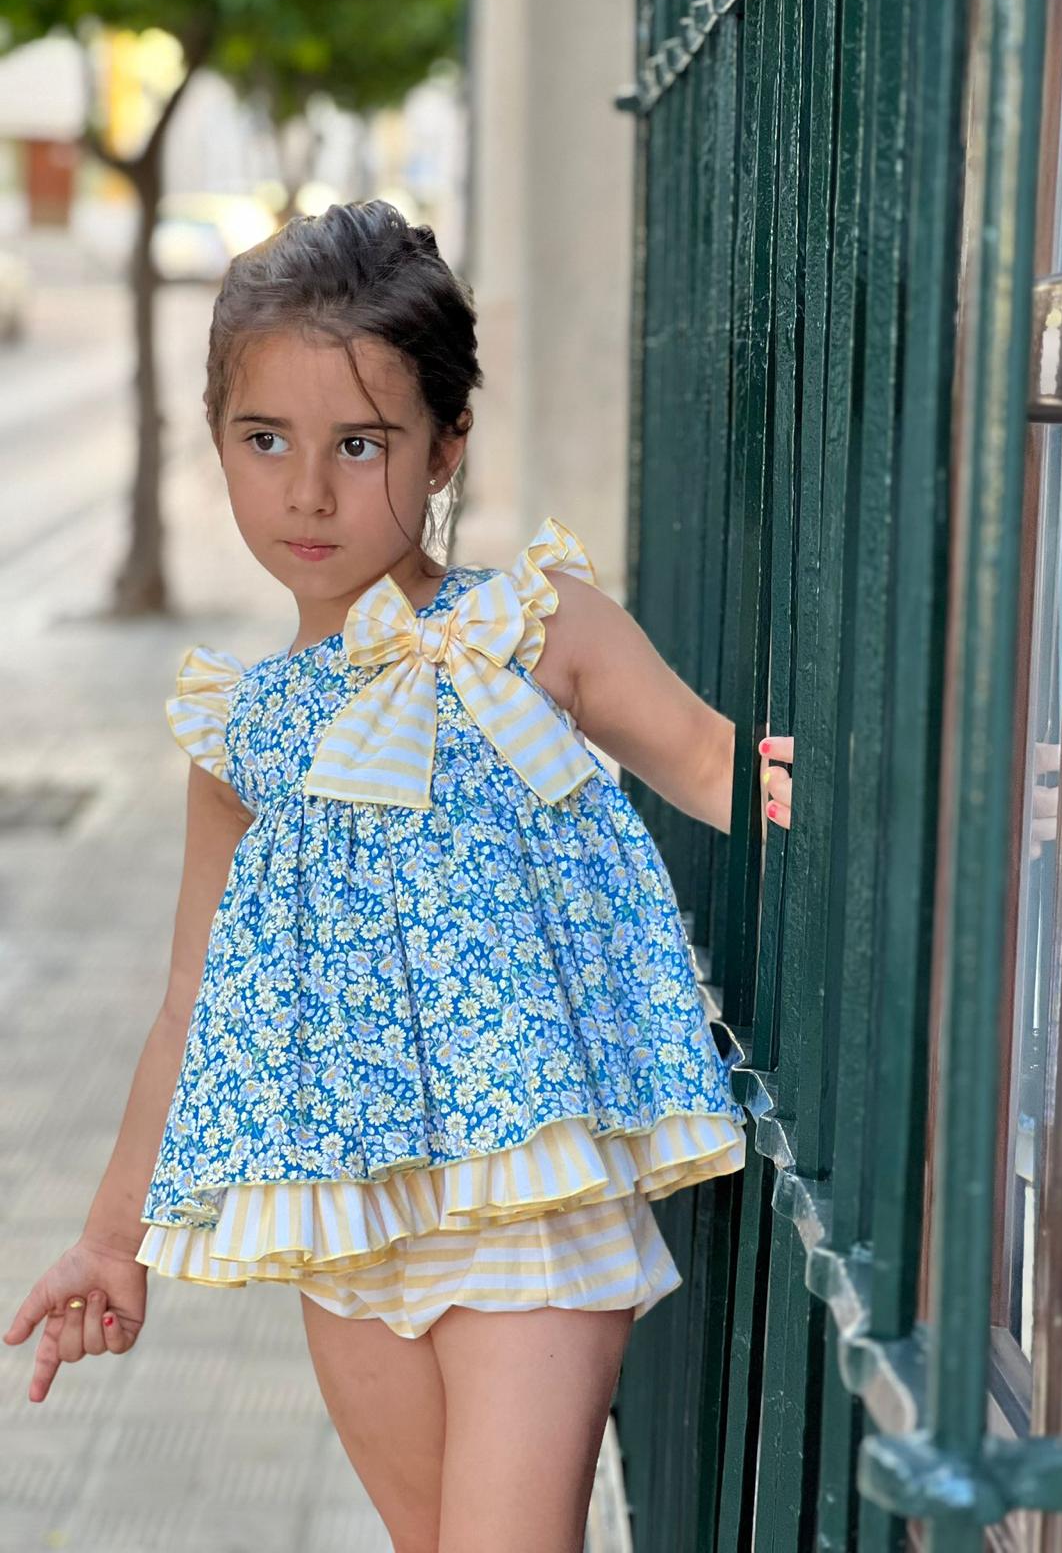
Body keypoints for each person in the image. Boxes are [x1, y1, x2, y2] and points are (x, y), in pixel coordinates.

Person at [3, 201, 766, 1553]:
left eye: (360, 446)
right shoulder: (239, 736)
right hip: (347, 1224)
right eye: (265, 442)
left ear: (446, 445)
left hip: (531, 1205)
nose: (307, 492)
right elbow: (189, 1000)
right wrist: (113, 1238)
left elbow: (725, 773)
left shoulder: (535, 630)